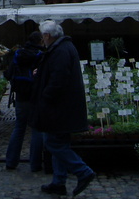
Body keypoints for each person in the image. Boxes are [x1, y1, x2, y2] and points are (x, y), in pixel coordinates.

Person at [29, 20, 95, 197]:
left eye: (43, 35)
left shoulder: (60, 51)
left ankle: (83, 171)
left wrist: (45, 97)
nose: (42, 39)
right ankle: (59, 182)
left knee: (53, 142)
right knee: (59, 141)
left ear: (48, 35)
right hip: (64, 106)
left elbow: (59, 79)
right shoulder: (63, 47)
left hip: (59, 107)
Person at [5, 31, 44, 172]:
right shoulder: (41, 55)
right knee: (37, 129)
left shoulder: (18, 53)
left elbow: (9, 73)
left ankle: (11, 161)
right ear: (40, 41)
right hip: (35, 95)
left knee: (19, 127)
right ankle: (35, 163)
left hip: (21, 95)